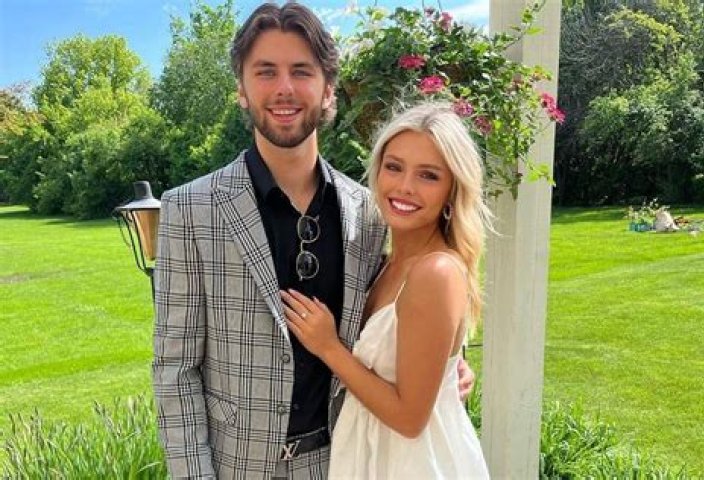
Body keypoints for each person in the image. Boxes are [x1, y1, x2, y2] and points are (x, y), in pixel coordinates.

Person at [152, 2, 475, 478]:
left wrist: (450, 365)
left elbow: (415, 298)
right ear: (241, 88)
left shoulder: (370, 212)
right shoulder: (190, 210)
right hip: (237, 467)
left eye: (301, 71)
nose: (284, 88)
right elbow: (175, 372)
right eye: (266, 71)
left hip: (345, 462)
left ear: (327, 91)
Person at [282, 102, 491, 479]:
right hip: (374, 454)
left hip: (416, 463)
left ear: (452, 190)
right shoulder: (385, 262)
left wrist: (329, 347)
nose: (405, 186)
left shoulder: (435, 272)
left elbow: (410, 419)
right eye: (394, 167)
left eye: (428, 175)